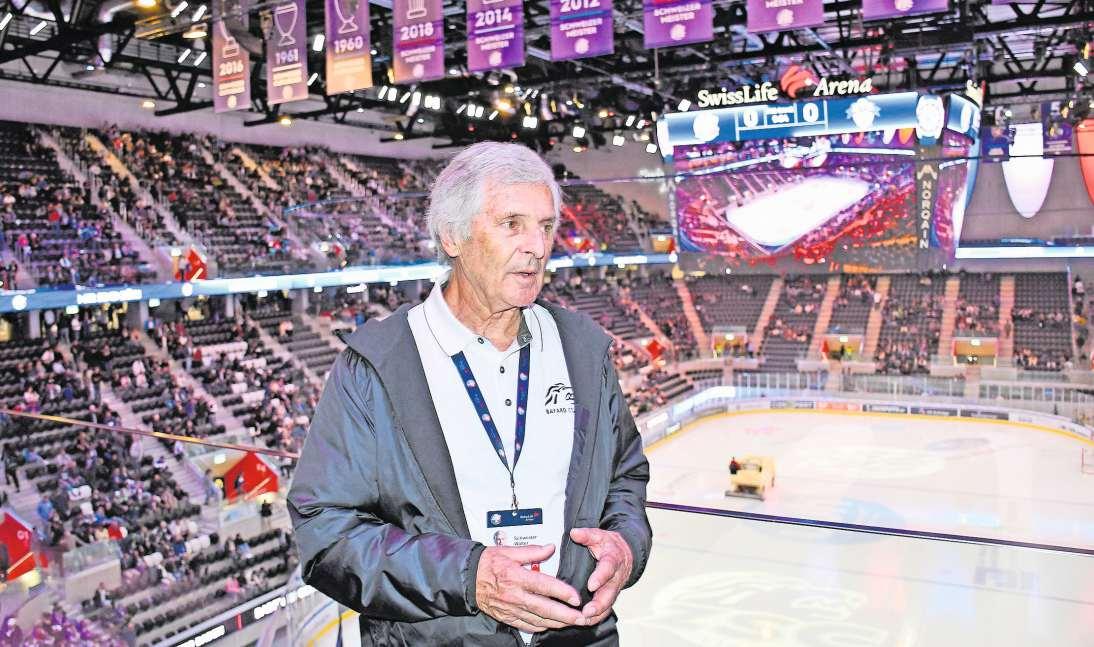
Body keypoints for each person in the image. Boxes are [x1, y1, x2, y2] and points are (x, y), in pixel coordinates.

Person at [288, 142, 651, 646]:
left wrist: (626, 546)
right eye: (512, 224)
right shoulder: (376, 364)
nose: (537, 246)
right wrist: (467, 576)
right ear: (453, 236)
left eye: (546, 226)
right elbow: (326, 533)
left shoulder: (584, 350)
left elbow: (625, 476)